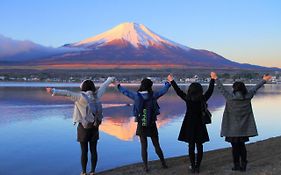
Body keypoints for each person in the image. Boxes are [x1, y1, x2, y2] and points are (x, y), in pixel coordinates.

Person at [46, 77, 115, 175]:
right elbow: (104, 86)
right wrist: (110, 79)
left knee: (84, 151)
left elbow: (67, 93)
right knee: (94, 150)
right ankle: (93, 171)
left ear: (83, 87)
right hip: (95, 126)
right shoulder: (97, 95)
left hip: (83, 127)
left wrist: (53, 91)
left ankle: (83, 172)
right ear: (92, 87)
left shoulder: (80, 97)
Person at [213, 72, 272, 172]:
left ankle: (236, 166)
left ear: (234, 89)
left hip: (232, 130)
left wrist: (215, 78)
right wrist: (264, 80)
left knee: (235, 148)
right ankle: (243, 165)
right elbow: (256, 88)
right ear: (243, 88)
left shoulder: (229, 97)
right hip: (244, 129)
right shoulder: (248, 96)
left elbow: (221, 88)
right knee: (242, 147)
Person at [116, 78, 171, 172]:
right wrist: (167, 83)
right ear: (150, 86)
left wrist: (118, 86)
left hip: (142, 123)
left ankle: (146, 167)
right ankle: (163, 163)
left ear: (141, 86)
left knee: (143, 146)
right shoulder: (153, 95)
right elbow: (163, 91)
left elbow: (126, 92)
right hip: (151, 124)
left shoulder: (136, 96)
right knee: (156, 145)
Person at [167, 73, 215, 173]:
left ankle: (193, 166)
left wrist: (172, 81)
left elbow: (178, 91)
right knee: (200, 145)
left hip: (189, 124)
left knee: (191, 146)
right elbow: (210, 91)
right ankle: (198, 167)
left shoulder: (187, 99)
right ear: (200, 90)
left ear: (190, 90)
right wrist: (212, 79)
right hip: (200, 124)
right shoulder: (202, 99)